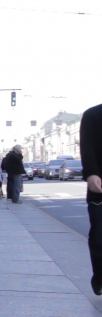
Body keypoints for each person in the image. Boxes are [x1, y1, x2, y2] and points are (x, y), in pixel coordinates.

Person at [79, 104, 102, 295]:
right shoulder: (93, 115)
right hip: (99, 187)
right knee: (99, 236)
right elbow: (87, 146)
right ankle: (100, 276)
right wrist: (91, 173)